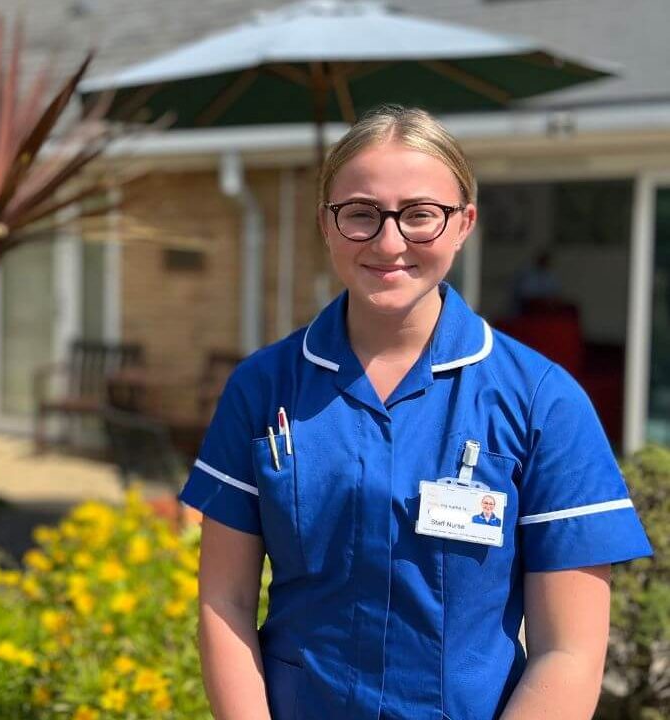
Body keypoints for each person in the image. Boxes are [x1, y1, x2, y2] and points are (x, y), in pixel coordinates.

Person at [177, 105, 652, 720]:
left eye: (421, 215)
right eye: (361, 214)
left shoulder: (542, 401)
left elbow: (569, 652)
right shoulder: (263, 387)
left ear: (464, 224)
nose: (389, 241)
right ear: (326, 222)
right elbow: (226, 601)